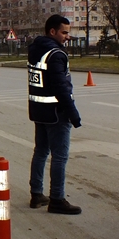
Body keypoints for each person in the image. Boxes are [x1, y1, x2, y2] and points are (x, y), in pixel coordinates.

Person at [27, 15, 82, 215]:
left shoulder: (36, 50)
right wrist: (73, 114)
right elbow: (60, 87)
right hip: (57, 113)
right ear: (52, 32)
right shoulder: (56, 54)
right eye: (64, 32)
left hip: (39, 110)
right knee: (59, 157)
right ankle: (57, 199)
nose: (68, 36)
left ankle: (36, 194)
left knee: (40, 152)